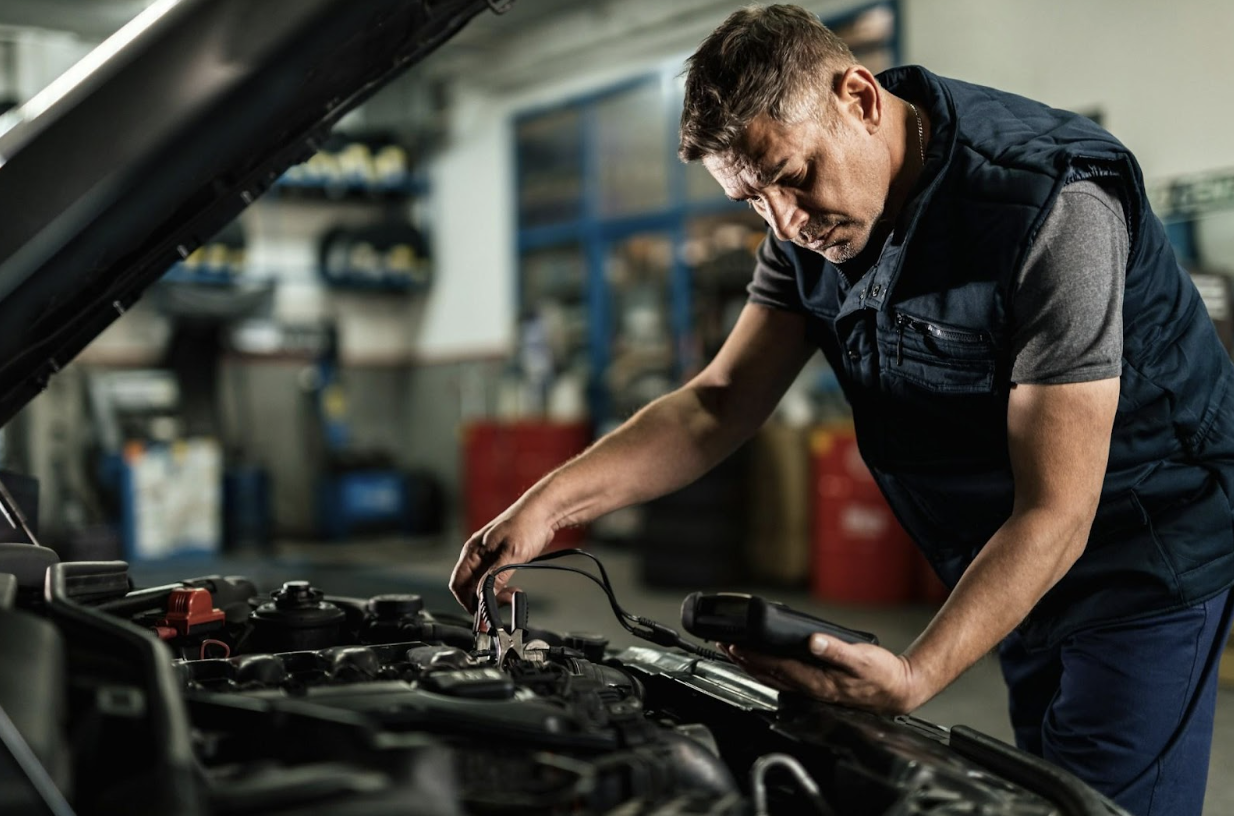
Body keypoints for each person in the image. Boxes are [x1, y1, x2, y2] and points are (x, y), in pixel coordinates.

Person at [450, 5, 1234, 814]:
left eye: (792, 176)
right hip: (1005, 557)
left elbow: (1058, 512)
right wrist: (546, 508)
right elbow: (716, 404)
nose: (785, 221)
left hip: (1143, 547)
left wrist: (916, 675)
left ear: (860, 98)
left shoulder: (1051, 204)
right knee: (1043, 792)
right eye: (751, 200)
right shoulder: (803, 231)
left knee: (1100, 802)